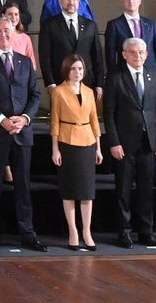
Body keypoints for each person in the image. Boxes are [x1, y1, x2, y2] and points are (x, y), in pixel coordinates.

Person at [0, 15, 46, 251]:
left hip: (21, 132)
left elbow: (35, 95)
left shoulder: (25, 62)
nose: (2, 35)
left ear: (14, 31)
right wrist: (2, 120)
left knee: (23, 185)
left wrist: (24, 119)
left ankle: (27, 232)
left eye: (7, 30)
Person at [106, 36, 156, 247]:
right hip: (124, 143)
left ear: (146, 55)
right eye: (133, 52)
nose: (137, 56)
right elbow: (109, 113)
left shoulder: (154, 76)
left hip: (148, 142)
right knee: (123, 190)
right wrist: (114, 142)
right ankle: (124, 231)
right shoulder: (115, 78)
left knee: (146, 190)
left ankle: (146, 231)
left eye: (141, 52)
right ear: (124, 55)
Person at [48, 54, 102, 251]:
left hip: (88, 140)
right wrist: (55, 149)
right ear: (66, 71)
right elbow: (54, 121)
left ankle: (87, 231)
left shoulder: (89, 92)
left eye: (80, 69)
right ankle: (73, 231)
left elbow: (95, 120)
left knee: (87, 192)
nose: (77, 72)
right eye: (73, 69)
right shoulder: (58, 92)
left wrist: (98, 147)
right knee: (70, 190)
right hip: (67, 141)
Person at [39, 0, 106, 91]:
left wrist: (99, 83)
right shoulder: (49, 25)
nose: (71, 2)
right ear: (60, 1)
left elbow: (97, 56)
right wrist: (50, 83)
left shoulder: (91, 25)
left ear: (79, 1)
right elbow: (45, 57)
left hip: (87, 83)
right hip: (59, 83)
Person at [104, 0, 156, 91]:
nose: (131, 1)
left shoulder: (150, 24)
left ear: (139, 1)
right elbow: (110, 56)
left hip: (151, 76)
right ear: (122, 2)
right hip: (125, 78)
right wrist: (114, 81)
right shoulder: (114, 25)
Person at [1, 3, 38, 70]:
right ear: (3, 15)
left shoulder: (25, 38)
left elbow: (32, 63)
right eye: (10, 14)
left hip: (22, 78)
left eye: (16, 14)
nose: (13, 17)